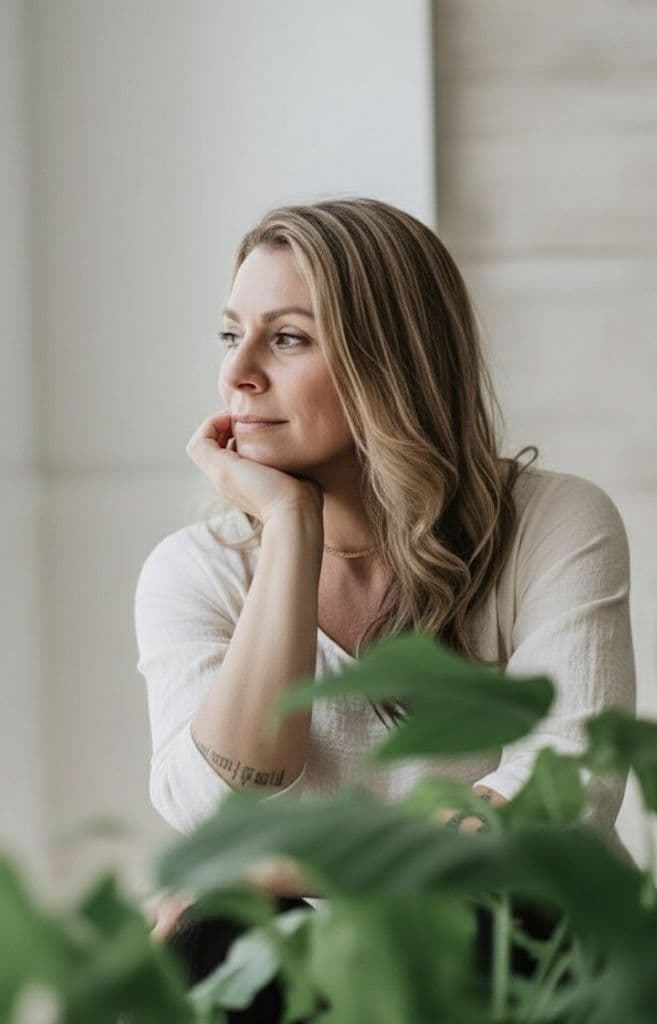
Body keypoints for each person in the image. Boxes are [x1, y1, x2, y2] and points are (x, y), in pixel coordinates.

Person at [134, 198, 636, 1012]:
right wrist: (289, 530)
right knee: (214, 939)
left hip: (522, 948)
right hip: (318, 968)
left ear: (390, 360)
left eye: (287, 337)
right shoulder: (197, 572)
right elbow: (223, 810)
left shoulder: (552, 523)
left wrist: (282, 866)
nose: (238, 372)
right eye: (232, 335)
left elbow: (562, 800)